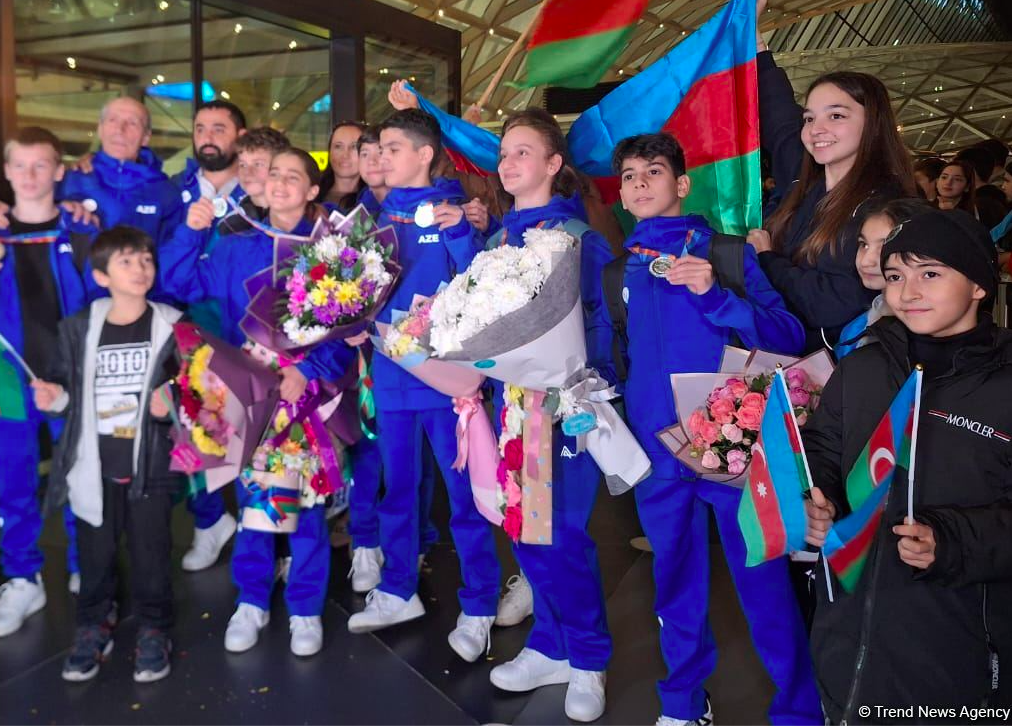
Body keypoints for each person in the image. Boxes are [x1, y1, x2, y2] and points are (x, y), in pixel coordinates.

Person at [609, 132, 821, 726]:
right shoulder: (616, 271)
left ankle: (801, 710)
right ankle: (682, 701)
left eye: (653, 171)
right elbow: (613, 357)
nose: (640, 183)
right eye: (629, 176)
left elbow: (788, 335)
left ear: (682, 184)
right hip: (657, 455)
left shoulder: (725, 254)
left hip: (732, 446)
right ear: (620, 194)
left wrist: (716, 296)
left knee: (765, 583)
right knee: (673, 584)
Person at [802, 207, 1011, 720]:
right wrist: (813, 499)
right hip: (846, 643)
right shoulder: (863, 367)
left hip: (958, 659)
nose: (908, 291)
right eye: (895, 276)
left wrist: (952, 541)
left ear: (979, 285)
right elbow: (821, 450)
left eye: (930, 273)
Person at [159, 148, 355, 657]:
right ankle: (251, 601)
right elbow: (179, 284)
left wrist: (307, 370)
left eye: (293, 176)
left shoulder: (332, 251)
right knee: (252, 503)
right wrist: (191, 231)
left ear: (313, 190)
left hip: (302, 398)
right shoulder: (234, 243)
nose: (280, 183)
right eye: (273, 175)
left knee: (306, 505)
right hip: (244, 394)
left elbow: (347, 330)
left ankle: (306, 607)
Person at [346, 109, 502, 663]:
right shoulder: (369, 217)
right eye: (377, 149)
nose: (380, 158)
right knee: (398, 491)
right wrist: (347, 320)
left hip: (447, 382)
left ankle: (480, 603)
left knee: (464, 497)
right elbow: (351, 289)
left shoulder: (456, 210)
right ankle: (397, 590)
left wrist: (460, 229)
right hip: (391, 377)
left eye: (391, 148)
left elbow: (482, 282)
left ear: (424, 154)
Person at [480, 108, 614, 722]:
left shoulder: (579, 239)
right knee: (523, 529)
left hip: (567, 407)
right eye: (504, 153)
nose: (508, 163)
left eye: (523, 152)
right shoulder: (495, 243)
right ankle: (550, 645)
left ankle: (588, 657)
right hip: (510, 408)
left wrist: (585, 388)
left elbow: (604, 325)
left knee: (562, 535)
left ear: (555, 164)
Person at [33, 226, 182, 683]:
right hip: (93, 466)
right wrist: (54, 398)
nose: (140, 269)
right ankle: (93, 623)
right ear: (101, 277)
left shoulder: (174, 326)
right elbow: (66, 391)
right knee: (94, 557)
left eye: (145, 260)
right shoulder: (78, 328)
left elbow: (194, 389)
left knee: (152, 554)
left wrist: (172, 403)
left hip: (151, 465)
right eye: (126, 262)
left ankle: (155, 627)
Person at [752, 0, 915, 353]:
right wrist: (755, 41)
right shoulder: (804, 175)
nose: (816, 129)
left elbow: (835, 303)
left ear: (872, 124)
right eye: (810, 118)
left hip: (831, 367)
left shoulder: (886, 206)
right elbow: (779, 115)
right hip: (774, 351)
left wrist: (767, 259)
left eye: (836, 116)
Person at [0, 127, 98, 636]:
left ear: (59, 171)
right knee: (11, 479)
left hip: (69, 374)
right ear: (7, 171)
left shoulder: (80, 231)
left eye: (41, 164)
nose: (30, 175)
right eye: (20, 165)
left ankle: (87, 566)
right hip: (7, 378)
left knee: (80, 474)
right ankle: (23, 578)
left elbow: (102, 304)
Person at [170, 100, 250, 573]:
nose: (207, 136)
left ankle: (263, 536)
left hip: (252, 331)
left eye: (219, 128)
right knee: (199, 429)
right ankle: (209, 521)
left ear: (239, 136)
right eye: (200, 128)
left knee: (255, 437)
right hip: (195, 330)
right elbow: (165, 270)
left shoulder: (259, 191)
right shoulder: (174, 192)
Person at [59, 97, 183, 250]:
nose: (120, 129)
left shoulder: (166, 193)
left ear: (145, 137)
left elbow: (170, 256)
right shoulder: (68, 180)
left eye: (132, 123)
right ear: (100, 129)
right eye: (113, 120)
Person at [835, 197, 930, 358]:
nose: (865, 261)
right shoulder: (855, 328)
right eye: (864, 244)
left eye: (885, 246)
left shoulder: (927, 335)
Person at [316, 121, 365, 211]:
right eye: (338, 146)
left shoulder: (375, 197)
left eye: (354, 147)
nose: (345, 155)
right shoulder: (311, 191)